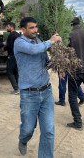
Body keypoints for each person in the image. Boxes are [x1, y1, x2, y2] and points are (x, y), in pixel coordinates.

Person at [14, 17, 61, 157]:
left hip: (46, 91)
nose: (35, 30)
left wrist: (59, 63)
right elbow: (34, 50)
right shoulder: (19, 43)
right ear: (23, 30)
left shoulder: (39, 41)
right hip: (29, 95)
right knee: (28, 129)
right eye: (31, 28)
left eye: (36, 27)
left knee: (48, 130)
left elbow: (45, 63)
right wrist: (51, 41)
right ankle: (23, 140)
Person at [4, 22, 20, 95]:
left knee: (9, 72)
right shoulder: (18, 35)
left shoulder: (11, 35)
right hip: (18, 56)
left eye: (7, 27)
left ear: (11, 27)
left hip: (12, 55)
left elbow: (9, 46)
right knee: (16, 72)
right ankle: (19, 87)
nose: (7, 28)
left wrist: (4, 48)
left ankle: (16, 89)